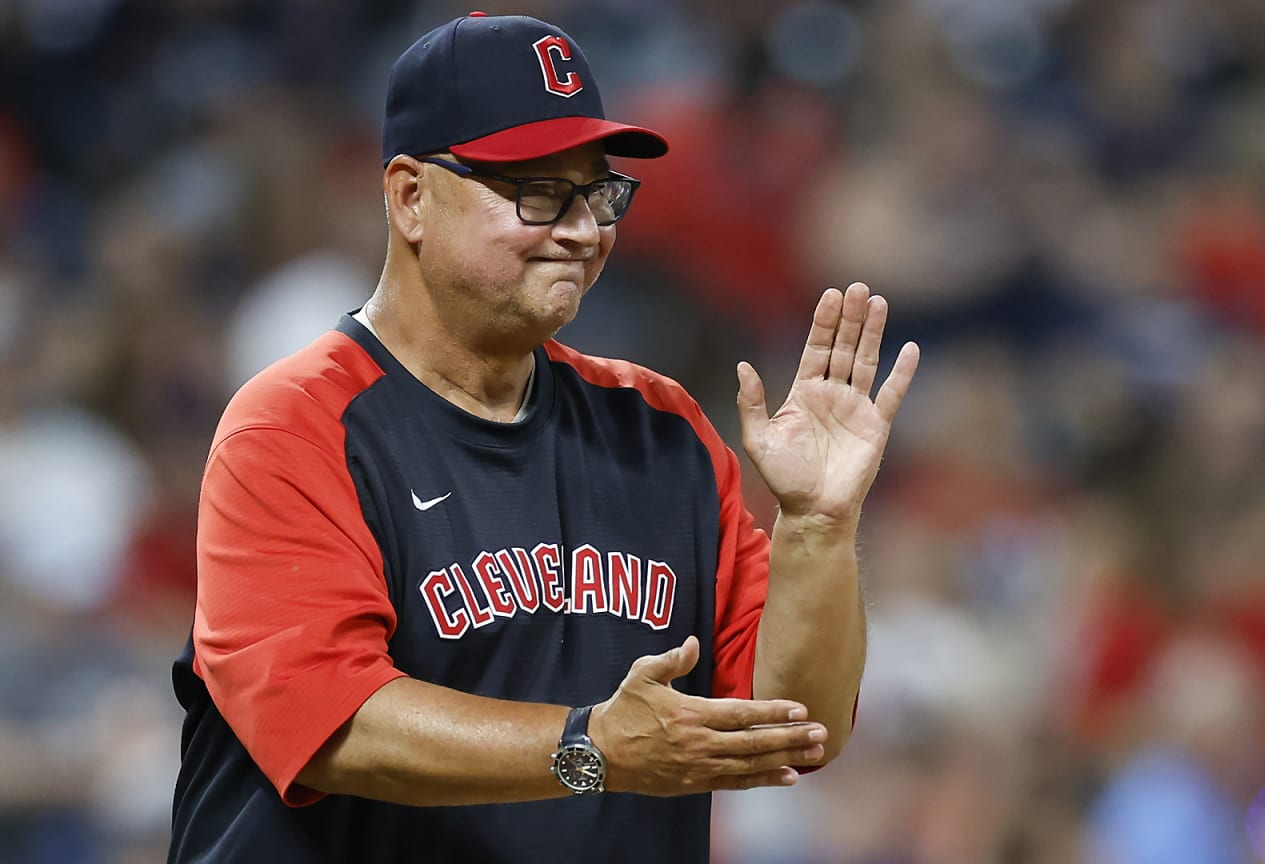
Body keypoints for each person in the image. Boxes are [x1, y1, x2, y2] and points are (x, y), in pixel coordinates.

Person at [168, 12, 920, 864]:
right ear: (411, 197)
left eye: (596, 193)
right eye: (536, 191)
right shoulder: (294, 426)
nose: (581, 229)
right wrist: (589, 746)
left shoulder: (658, 428)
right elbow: (331, 724)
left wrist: (817, 529)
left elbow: (792, 727)